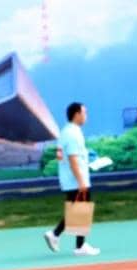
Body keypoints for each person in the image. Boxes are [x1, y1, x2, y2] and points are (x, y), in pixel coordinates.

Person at [43, 102, 100, 257]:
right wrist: (81, 181)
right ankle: (74, 244)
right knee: (81, 210)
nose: (86, 116)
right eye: (84, 112)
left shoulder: (67, 132)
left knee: (77, 211)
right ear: (77, 114)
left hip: (70, 179)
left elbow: (68, 156)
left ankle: (58, 236)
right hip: (75, 180)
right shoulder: (73, 134)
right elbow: (73, 158)